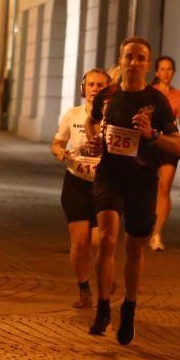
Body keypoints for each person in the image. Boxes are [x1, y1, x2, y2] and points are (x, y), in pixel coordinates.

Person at [85, 37, 180, 345]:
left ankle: (129, 307)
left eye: (140, 58)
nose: (134, 62)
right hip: (110, 175)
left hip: (142, 180)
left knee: (134, 248)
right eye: (129, 56)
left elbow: (177, 146)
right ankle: (103, 307)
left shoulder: (157, 101)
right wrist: (94, 140)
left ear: (147, 64)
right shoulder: (107, 95)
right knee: (107, 238)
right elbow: (92, 122)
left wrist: (151, 134)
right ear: (121, 60)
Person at [51, 68, 110, 309]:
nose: (95, 89)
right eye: (91, 84)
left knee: (98, 242)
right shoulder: (73, 114)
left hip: (103, 185)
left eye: (100, 85)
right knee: (80, 241)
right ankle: (84, 288)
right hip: (76, 183)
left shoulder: (113, 117)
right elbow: (57, 143)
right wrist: (60, 152)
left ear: (108, 90)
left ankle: (105, 278)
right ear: (83, 89)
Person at [149, 56, 180, 252]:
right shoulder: (149, 92)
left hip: (170, 143)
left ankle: (156, 235)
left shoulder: (179, 95)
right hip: (150, 142)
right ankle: (144, 225)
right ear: (156, 72)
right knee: (150, 188)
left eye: (169, 69)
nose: (166, 73)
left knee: (164, 188)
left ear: (174, 72)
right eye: (162, 69)